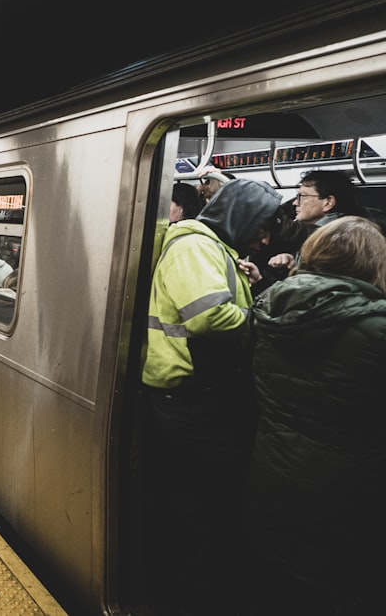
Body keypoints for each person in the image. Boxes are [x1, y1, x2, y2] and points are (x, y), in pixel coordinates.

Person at [140, 178, 282, 614]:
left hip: (195, 391)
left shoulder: (215, 250)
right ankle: (195, 591)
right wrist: (264, 320)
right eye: (261, 227)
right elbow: (208, 318)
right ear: (238, 216)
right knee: (201, 499)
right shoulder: (194, 246)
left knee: (201, 495)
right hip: (185, 394)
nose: (264, 238)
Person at [248, 216, 386, 615]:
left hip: (273, 464)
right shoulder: (376, 328)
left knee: (285, 576)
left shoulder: (269, 307)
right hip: (351, 483)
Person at [266, 169, 365, 277]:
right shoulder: (345, 232)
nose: (295, 203)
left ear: (328, 202)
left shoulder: (335, 240)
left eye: (302, 196)